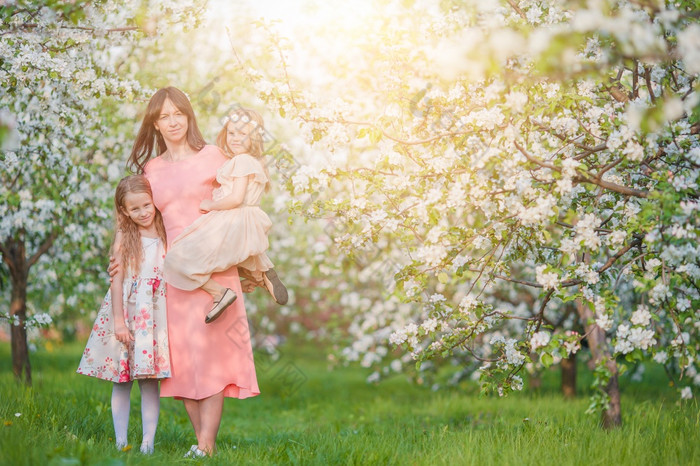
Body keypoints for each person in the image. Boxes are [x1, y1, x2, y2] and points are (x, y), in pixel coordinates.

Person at [125, 86, 260, 457]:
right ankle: (201, 443)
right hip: (175, 271)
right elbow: (142, 221)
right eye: (164, 116)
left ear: (189, 116)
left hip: (215, 267)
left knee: (212, 354)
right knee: (181, 358)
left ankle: (206, 445)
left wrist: (250, 262)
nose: (172, 122)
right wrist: (126, 258)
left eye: (178, 114)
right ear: (155, 123)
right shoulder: (151, 170)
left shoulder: (214, 156)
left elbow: (241, 202)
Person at [163, 107, 288, 324]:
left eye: (242, 133)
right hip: (245, 222)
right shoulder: (251, 162)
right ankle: (262, 274)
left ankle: (219, 293)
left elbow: (236, 198)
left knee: (177, 258)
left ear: (254, 137)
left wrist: (211, 204)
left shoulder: (241, 161)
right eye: (231, 133)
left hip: (232, 217)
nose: (235, 138)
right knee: (230, 254)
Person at [77, 175, 170, 455]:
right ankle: (120, 442)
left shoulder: (165, 230)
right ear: (124, 211)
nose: (143, 212)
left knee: (149, 379)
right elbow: (116, 281)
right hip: (128, 311)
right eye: (134, 209)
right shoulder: (124, 235)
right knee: (123, 378)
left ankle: (147, 444)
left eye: (146, 205)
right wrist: (118, 321)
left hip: (153, 314)